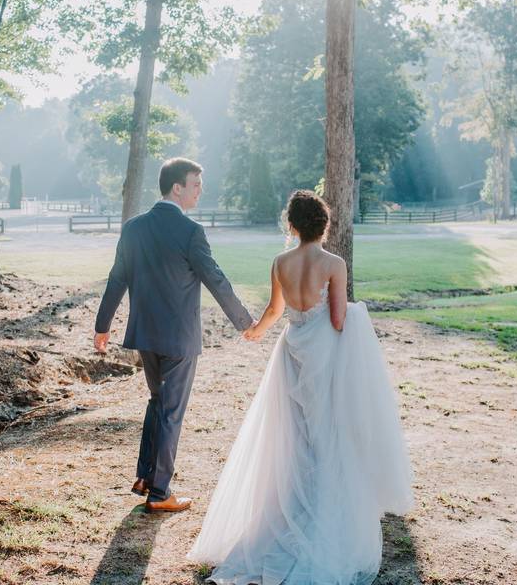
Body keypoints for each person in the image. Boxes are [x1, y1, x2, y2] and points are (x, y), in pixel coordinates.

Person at [188, 189, 413, 584]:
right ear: (324, 226)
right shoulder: (334, 263)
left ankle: (291, 502)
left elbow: (276, 310)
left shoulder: (280, 262)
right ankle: (322, 506)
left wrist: (255, 330)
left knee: (295, 434)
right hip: (325, 352)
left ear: (291, 226)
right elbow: (340, 319)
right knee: (327, 431)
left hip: (291, 351)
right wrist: (360, 316)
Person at [94, 157, 254, 513]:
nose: (200, 190)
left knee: (158, 403)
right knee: (171, 412)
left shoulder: (133, 228)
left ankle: (146, 477)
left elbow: (116, 278)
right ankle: (161, 493)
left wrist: (102, 325)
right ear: (177, 187)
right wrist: (245, 322)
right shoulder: (191, 232)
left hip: (145, 335)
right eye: (196, 184)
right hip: (179, 339)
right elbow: (215, 279)